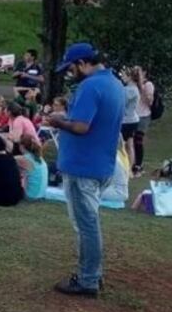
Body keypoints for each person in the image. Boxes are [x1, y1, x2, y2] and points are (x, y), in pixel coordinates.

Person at [44, 42, 124, 297]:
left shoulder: (90, 86)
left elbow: (81, 127)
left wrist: (58, 121)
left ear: (82, 63)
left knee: (86, 225)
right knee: (88, 223)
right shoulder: (114, 83)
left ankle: (89, 279)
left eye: (71, 68)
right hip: (100, 165)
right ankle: (92, 274)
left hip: (83, 168)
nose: (70, 73)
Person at [133, 66, 154, 177]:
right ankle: (131, 164)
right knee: (129, 141)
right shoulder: (132, 84)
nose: (136, 74)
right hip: (132, 116)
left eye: (139, 72)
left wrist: (141, 84)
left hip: (143, 116)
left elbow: (149, 101)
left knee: (138, 140)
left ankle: (138, 166)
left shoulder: (148, 85)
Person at [120, 68, 140, 173]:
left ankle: (125, 167)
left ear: (129, 76)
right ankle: (129, 169)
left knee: (122, 145)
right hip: (133, 119)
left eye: (123, 75)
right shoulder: (134, 88)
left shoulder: (129, 90)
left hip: (126, 121)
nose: (122, 78)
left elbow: (121, 103)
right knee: (130, 144)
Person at [16, 133, 49, 201]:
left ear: (22, 146)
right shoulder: (39, 158)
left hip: (31, 195)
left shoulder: (22, 159)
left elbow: (6, 161)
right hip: (41, 194)